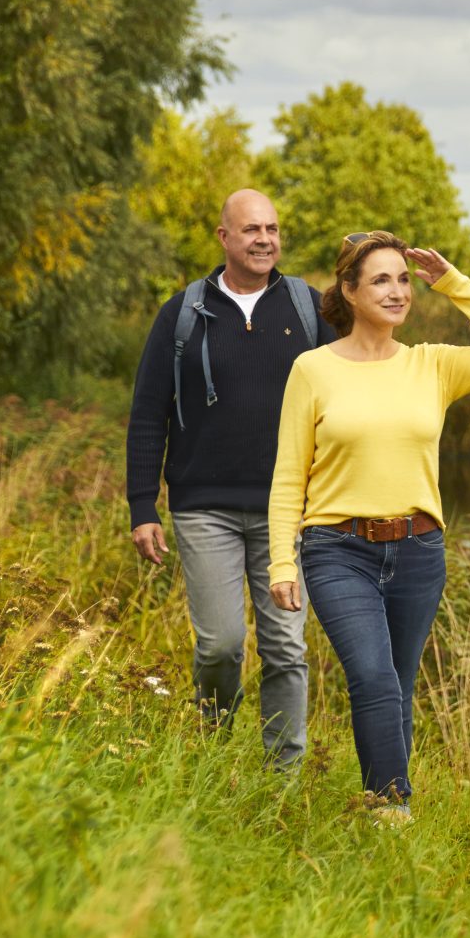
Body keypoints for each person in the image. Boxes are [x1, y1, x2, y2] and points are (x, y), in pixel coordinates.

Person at [266, 230, 470, 823]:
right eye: (381, 279)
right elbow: (287, 477)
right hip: (337, 550)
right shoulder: (312, 370)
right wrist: (283, 560)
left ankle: (384, 802)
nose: (397, 290)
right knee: (374, 677)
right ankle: (391, 812)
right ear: (350, 291)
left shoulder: (430, 365)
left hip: (418, 551)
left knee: (399, 689)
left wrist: (453, 283)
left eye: (403, 279)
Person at [126, 188, 322, 771]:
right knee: (221, 645)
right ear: (224, 238)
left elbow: (352, 392)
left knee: (286, 647)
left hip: (287, 511)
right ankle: (215, 745)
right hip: (202, 506)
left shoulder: (309, 310)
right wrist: (143, 505)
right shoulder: (183, 312)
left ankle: (281, 774)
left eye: (273, 228)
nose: (265, 239)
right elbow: (146, 413)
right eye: (251, 229)